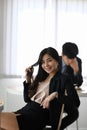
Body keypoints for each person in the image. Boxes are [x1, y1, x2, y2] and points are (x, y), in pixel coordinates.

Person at [1, 47, 80, 130]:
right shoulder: (40, 78)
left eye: (49, 60)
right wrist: (28, 80)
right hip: (25, 111)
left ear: (57, 60)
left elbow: (75, 103)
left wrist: (55, 94)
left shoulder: (64, 79)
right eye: (42, 62)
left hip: (36, 117)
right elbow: (27, 99)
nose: (46, 65)